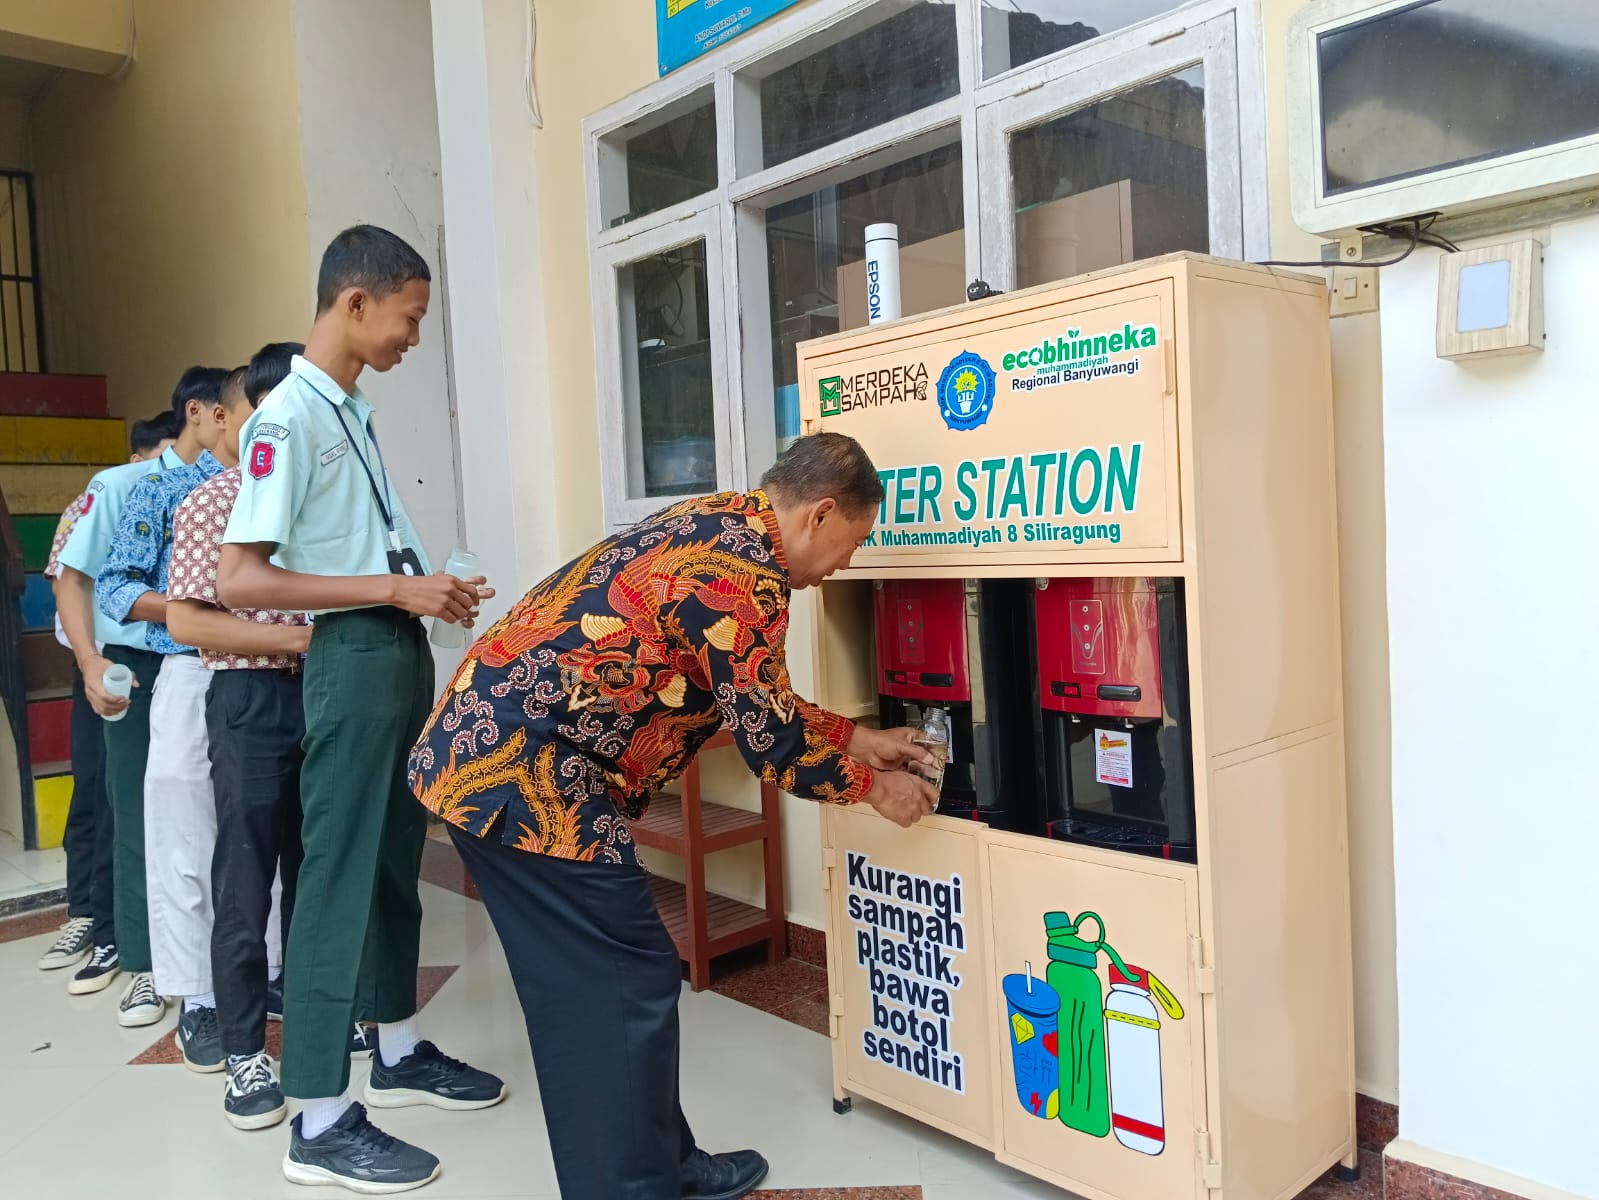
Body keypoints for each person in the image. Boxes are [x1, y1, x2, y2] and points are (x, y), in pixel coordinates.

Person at [407, 432, 940, 1200]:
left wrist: (859, 737)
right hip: (521, 778)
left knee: (617, 980)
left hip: (493, 757)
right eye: (851, 543)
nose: (846, 564)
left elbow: (762, 702)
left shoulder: (722, 522)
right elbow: (772, 747)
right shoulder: (743, 578)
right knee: (614, 986)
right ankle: (635, 1186)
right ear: (820, 513)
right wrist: (873, 787)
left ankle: (666, 1166)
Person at [219, 225, 505, 1194]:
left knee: (391, 863)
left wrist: (431, 586)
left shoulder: (350, 411)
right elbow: (240, 580)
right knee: (337, 874)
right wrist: (390, 595)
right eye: (409, 318)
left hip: (394, 656)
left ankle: (398, 1046)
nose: (412, 339)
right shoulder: (285, 421)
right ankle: (320, 1115)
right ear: (354, 303)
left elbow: (370, 544)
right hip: (350, 659)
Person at [167, 342, 317, 1129]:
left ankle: (319, 1021)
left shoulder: (325, 497)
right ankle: (242, 1053)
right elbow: (191, 619)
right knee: (246, 872)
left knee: (313, 867)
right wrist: (301, 643)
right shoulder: (213, 503)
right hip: (251, 698)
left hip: (323, 699)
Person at [98, 366, 255, 1064]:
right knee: (184, 838)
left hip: (269, 673)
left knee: (262, 836)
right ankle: (196, 998)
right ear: (216, 415)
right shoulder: (158, 491)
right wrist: (207, 609)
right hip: (192, 670)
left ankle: (265, 975)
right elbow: (117, 589)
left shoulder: (273, 488)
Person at [56, 390, 199, 1025]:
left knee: (214, 814)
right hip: (139, 665)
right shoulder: (123, 485)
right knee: (135, 813)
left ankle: (216, 960)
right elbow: (71, 575)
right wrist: (89, 660)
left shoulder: (241, 481)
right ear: (205, 410)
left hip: (214, 660)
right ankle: (142, 965)